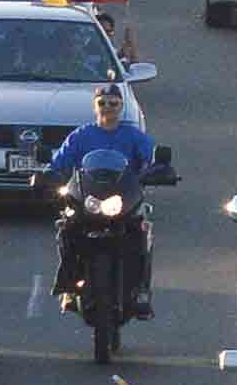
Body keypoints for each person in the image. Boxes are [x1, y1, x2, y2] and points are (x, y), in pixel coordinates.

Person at [48, 73, 161, 321]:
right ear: (95, 106)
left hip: (123, 200)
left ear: (121, 107)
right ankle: (68, 284)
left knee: (141, 234)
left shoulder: (133, 136)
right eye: (103, 103)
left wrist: (159, 170)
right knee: (67, 230)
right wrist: (47, 175)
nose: (108, 108)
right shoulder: (81, 136)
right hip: (88, 199)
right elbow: (59, 163)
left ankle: (141, 290)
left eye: (113, 103)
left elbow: (151, 158)